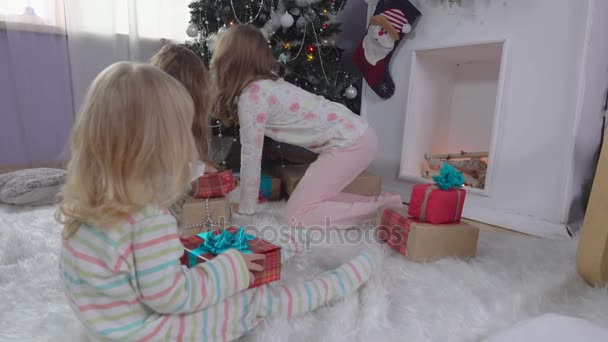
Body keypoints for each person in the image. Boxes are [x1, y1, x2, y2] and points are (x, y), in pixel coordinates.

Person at [57, 62, 374, 341]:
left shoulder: (88, 205)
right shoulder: (148, 219)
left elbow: (131, 269)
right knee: (257, 300)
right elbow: (173, 297)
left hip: (106, 327)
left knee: (215, 260)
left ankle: (284, 247)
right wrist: (231, 269)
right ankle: (344, 280)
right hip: (144, 333)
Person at [212, 24, 402, 229]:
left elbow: (251, 156)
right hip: (357, 136)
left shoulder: (253, 97)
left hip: (351, 143)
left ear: (231, 61)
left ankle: (379, 212)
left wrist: (246, 208)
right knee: (309, 203)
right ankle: (383, 205)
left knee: (297, 214)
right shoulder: (268, 85)